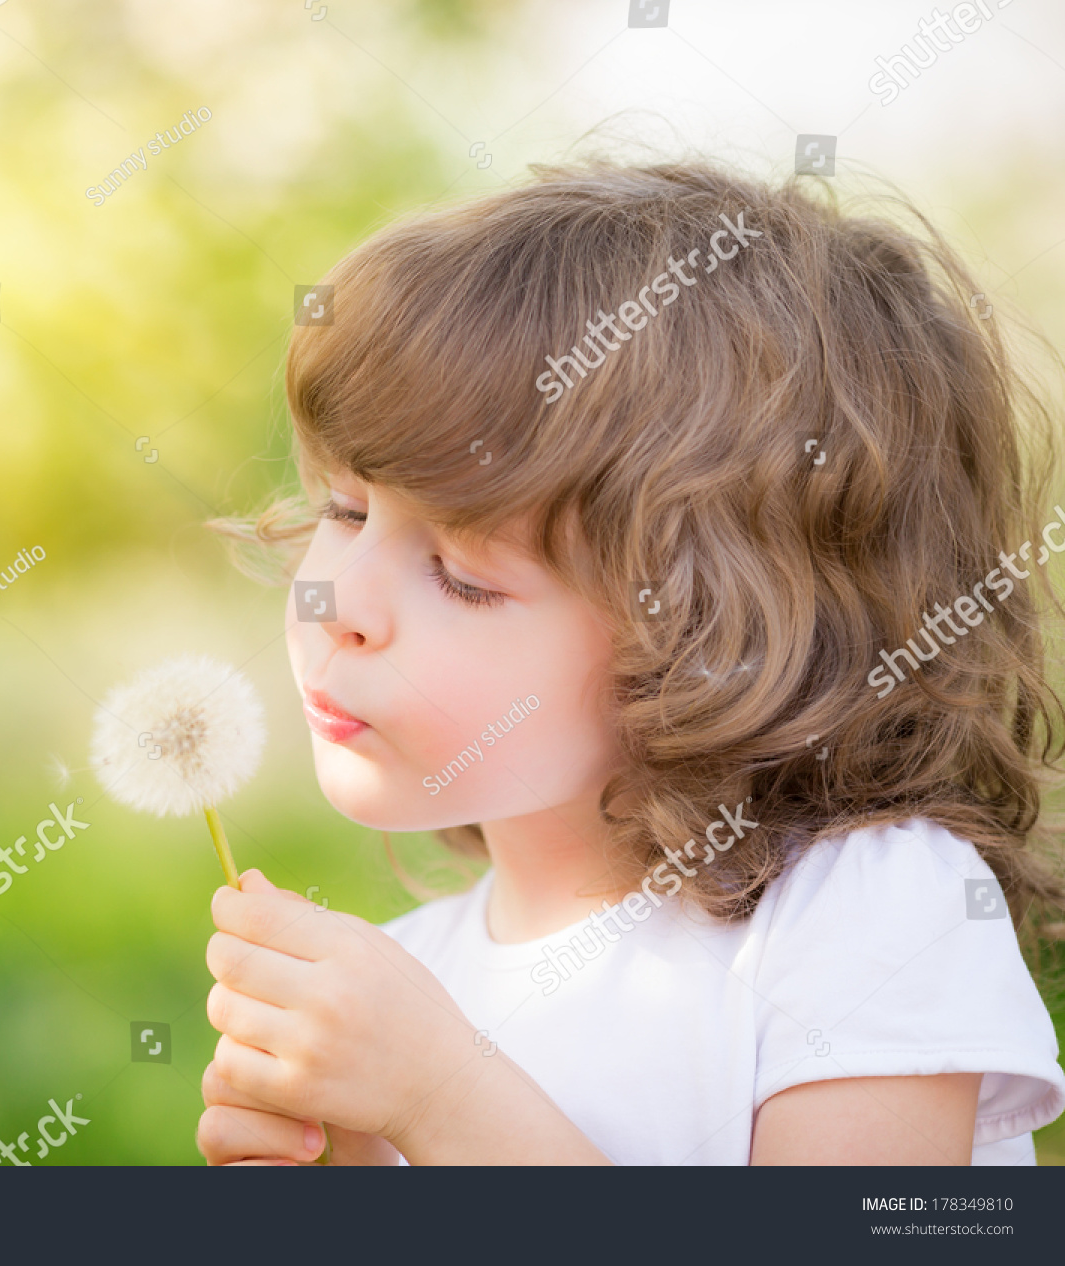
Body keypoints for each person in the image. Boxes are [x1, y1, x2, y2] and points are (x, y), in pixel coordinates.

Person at [196, 158, 1065, 1165]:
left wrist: (438, 1099)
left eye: (464, 574)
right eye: (346, 510)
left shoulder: (866, 910)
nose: (334, 598)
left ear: (717, 643)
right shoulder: (406, 979)